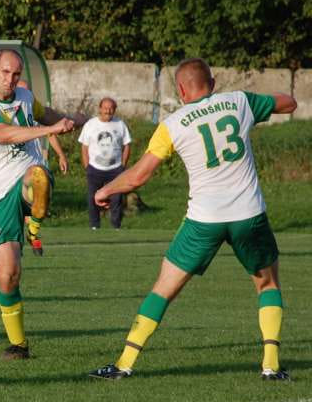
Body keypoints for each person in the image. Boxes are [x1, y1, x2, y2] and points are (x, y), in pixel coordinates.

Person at [88, 58, 297, 381]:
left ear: (181, 90)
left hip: (204, 219)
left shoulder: (174, 124)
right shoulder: (239, 101)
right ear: (212, 83)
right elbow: (289, 102)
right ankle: (270, 366)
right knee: (266, 284)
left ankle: (124, 363)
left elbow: (139, 176)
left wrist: (105, 190)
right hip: (248, 214)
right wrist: (262, 103)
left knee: (163, 290)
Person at [0, 49, 78, 360]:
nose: (10, 79)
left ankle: (35, 223)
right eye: (5, 72)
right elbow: (2, 135)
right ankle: (19, 345)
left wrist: (71, 120)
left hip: (29, 175)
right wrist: (50, 130)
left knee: (38, 177)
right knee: (8, 274)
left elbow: (47, 113)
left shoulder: (25, 96)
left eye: (15, 74)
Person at [77, 97, 131, 229]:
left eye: (111, 108)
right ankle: (94, 226)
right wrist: (87, 166)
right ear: (100, 109)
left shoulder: (120, 124)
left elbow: (127, 145)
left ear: (115, 109)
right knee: (92, 199)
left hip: (115, 169)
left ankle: (116, 226)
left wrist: (123, 165)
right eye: (105, 108)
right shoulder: (90, 124)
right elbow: (84, 147)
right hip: (95, 169)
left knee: (116, 199)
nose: (108, 111)